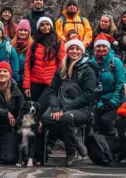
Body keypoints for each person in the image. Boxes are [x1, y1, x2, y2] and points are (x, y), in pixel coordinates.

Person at [41, 39, 97, 167]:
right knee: (45, 118)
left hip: (82, 109)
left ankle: (70, 153)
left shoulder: (88, 70)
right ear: (67, 51)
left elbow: (88, 95)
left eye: (77, 49)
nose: (74, 51)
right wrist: (55, 109)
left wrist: (65, 109)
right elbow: (52, 91)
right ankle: (75, 140)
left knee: (66, 118)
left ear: (82, 52)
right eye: (71, 48)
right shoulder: (61, 70)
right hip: (60, 106)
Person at [23, 17, 65, 111]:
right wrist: (26, 86)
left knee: (39, 109)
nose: (45, 26)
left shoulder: (58, 44)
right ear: (39, 28)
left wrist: (58, 84)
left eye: (47, 24)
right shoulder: (33, 44)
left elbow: (61, 66)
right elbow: (27, 65)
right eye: (42, 25)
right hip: (34, 84)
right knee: (33, 110)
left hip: (50, 84)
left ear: (51, 26)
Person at [91, 33, 126, 135]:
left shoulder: (116, 62)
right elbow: (91, 86)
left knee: (105, 120)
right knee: (92, 120)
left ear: (108, 47)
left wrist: (113, 102)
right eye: (98, 46)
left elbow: (121, 84)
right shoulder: (91, 63)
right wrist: (99, 103)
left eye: (103, 46)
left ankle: (113, 142)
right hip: (98, 100)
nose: (101, 48)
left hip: (114, 101)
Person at [11, 19, 33, 89]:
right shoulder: (11, 45)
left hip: (25, 80)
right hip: (11, 78)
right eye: (20, 30)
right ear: (17, 31)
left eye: (25, 30)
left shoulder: (32, 46)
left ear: (29, 32)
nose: (22, 32)